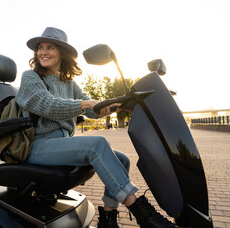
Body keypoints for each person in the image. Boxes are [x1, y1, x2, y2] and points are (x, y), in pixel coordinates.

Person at [15, 27, 176, 228]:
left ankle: (108, 219)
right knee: (97, 144)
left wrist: (117, 104)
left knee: (122, 159)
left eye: (50, 47)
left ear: (61, 53)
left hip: (60, 143)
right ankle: (143, 213)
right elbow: (48, 105)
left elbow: (92, 110)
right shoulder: (30, 77)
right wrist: (86, 104)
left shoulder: (68, 83)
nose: (43, 52)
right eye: (40, 48)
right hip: (37, 146)